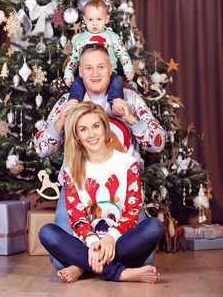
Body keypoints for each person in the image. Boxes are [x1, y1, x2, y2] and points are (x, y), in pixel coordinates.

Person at [34, 43, 165, 269]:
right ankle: (115, 270)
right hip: (78, 188)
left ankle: (84, 266)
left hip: (122, 192)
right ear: (80, 73)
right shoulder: (68, 103)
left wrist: (132, 118)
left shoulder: (130, 99)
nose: (95, 74)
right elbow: (41, 148)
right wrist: (61, 122)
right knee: (58, 260)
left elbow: (158, 144)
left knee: (148, 255)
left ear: (111, 68)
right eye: (89, 68)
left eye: (101, 67)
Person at [39, 101, 164, 283]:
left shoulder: (128, 164)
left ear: (105, 128)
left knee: (154, 226)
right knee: (47, 232)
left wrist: (110, 238)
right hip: (85, 245)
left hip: (121, 243)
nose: (91, 134)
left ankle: (82, 266)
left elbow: (132, 211)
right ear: (77, 136)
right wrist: (92, 244)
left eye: (96, 126)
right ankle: (119, 273)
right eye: (83, 129)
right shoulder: (71, 171)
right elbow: (78, 219)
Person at [64, 0, 134, 111]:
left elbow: (123, 54)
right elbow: (74, 58)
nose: (94, 23)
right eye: (90, 19)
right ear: (84, 20)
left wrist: (128, 68)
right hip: (86, 75)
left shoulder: (113, 37)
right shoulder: (80, 39)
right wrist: (69, 72)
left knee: (116, 81)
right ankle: (74, 101)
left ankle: (116, 101)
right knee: (78, 82)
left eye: (99, 19)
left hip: (109, 74)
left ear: (106, 19)